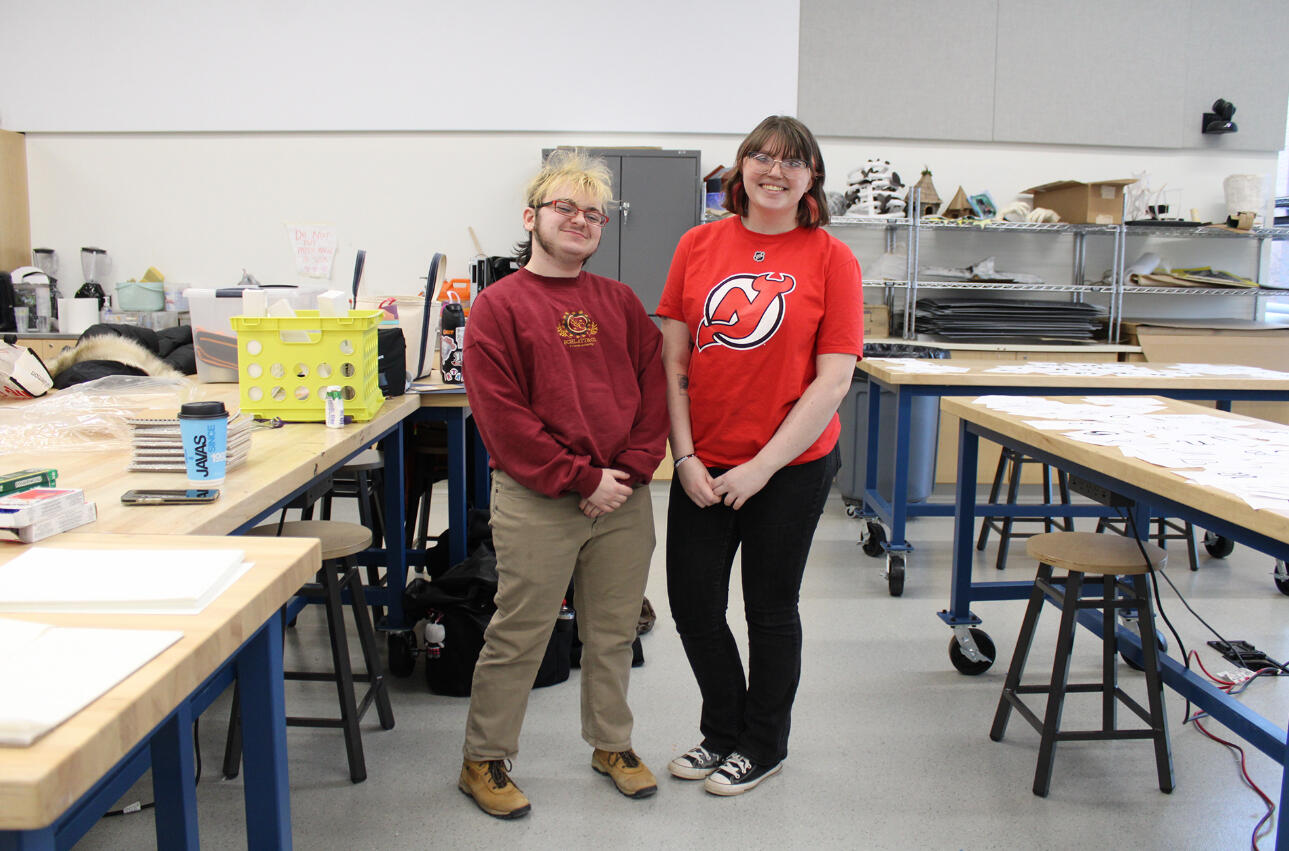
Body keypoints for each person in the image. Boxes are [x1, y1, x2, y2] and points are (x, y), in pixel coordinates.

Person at [457, 148, 669, 819]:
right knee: (519, 631)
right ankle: (483, 758)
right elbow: (502, 417)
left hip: (623, 496)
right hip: (538, 496)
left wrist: (629, 472)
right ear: (532, 217)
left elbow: (652, 394)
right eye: (564, 208)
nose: (579, 220)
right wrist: (580, 477)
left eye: (592, 214)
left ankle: (612, 744)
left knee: (611, 630)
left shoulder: (620, 302)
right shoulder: (496, 307)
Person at [656, 116, 863, 796]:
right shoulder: (697, 244)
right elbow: (673, 359)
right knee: (692, 603)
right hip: (702, 461)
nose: (774, 171)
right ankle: (722, 730)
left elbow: (832, 379)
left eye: (791, 162)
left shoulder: (831, 258)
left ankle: (762, 744)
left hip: (790, 465)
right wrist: (683, 456)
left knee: (768, 608)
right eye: (761, 157)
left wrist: (763, 465)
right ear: (739, 167)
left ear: (811, 178)